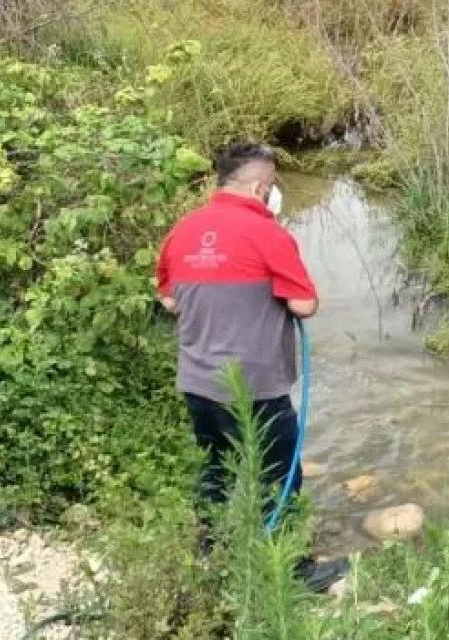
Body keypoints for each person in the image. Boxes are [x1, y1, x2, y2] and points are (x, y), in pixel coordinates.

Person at [154, 142, 347, 593]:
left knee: (215, 469)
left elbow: (168, 298)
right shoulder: (269, 234)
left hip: (198, 382)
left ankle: (211, 555)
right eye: (273, 184)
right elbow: (304, 304)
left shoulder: (183, 230)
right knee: (280, 478)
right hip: (256, 386)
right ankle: (291, 573)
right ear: (260, 186)